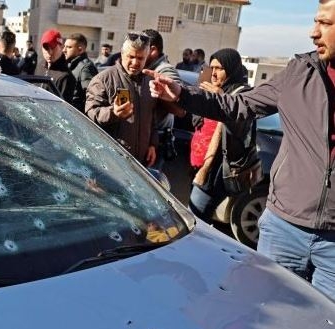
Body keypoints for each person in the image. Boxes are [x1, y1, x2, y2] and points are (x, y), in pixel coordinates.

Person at [147, 0, 335, 296]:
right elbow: (240, 105)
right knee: (265, 312)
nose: (313, 32)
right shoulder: (301, 71)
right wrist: (183, 95)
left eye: (325, 23)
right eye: (315, 21)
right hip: (283, 228)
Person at [186, 49, 254, 223]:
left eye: (219, 68)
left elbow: (240, 124)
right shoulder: (213, 86)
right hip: (198, 163)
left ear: (231, 69)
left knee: (193, 221)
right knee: (197, 217)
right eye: (212, 68)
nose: (214, 74)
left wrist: (222, 99)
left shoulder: (240, 94)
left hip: (214, 169)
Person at [85, 32, 158, 167]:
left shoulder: (150, 82)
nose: (135, 63)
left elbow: (151, 118)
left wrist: (152, 144)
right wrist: (113, 113)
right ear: (122, 54)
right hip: (110, 163)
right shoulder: (103, 79)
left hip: (140, 165)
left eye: (140, 58)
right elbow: (91, 113)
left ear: (147, 58)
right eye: (131, 57)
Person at [142, 28, 184, 169]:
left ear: (153, 50)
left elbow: (180, 109)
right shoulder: (146, 68)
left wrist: (158, 94)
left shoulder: (164, 70)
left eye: (142, 48)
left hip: (156, 140)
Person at [34, 29, 76, 103]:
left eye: (53, 47)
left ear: (61, 47)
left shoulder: (66, 77)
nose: (49, 52)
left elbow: (63, 109)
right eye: (46, 48)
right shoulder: (40, 66)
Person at [63, 33, 98, 112]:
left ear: (80, 50)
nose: (64, 50)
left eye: (69, 47)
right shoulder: (69, 65)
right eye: (64, 46)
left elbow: (92, 96)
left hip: (76, 115)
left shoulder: (86, 67)